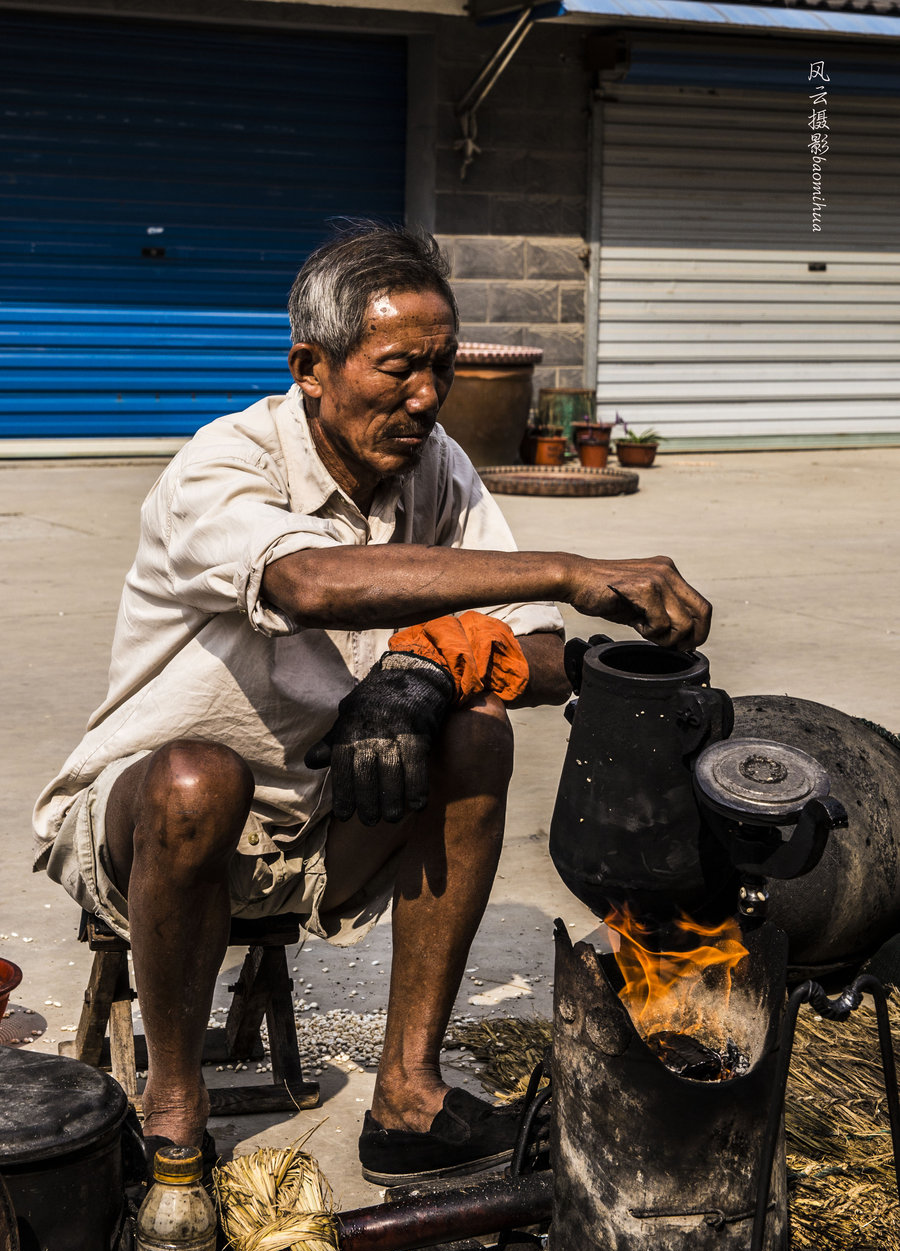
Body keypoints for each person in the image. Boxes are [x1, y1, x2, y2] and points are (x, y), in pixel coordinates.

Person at [33, 223, 711, 1185]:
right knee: (199, 776)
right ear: (312, 366)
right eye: (399, 369)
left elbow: (543, 654)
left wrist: (429, 664)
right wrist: (567, 565)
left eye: (441, 368)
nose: (428, 399)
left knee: (474, 726)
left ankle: (408, 1094)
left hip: (328, 818)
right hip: (151, 827)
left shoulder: (436, 471)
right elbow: (307, 580)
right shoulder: (225, 463)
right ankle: (173, 1108)